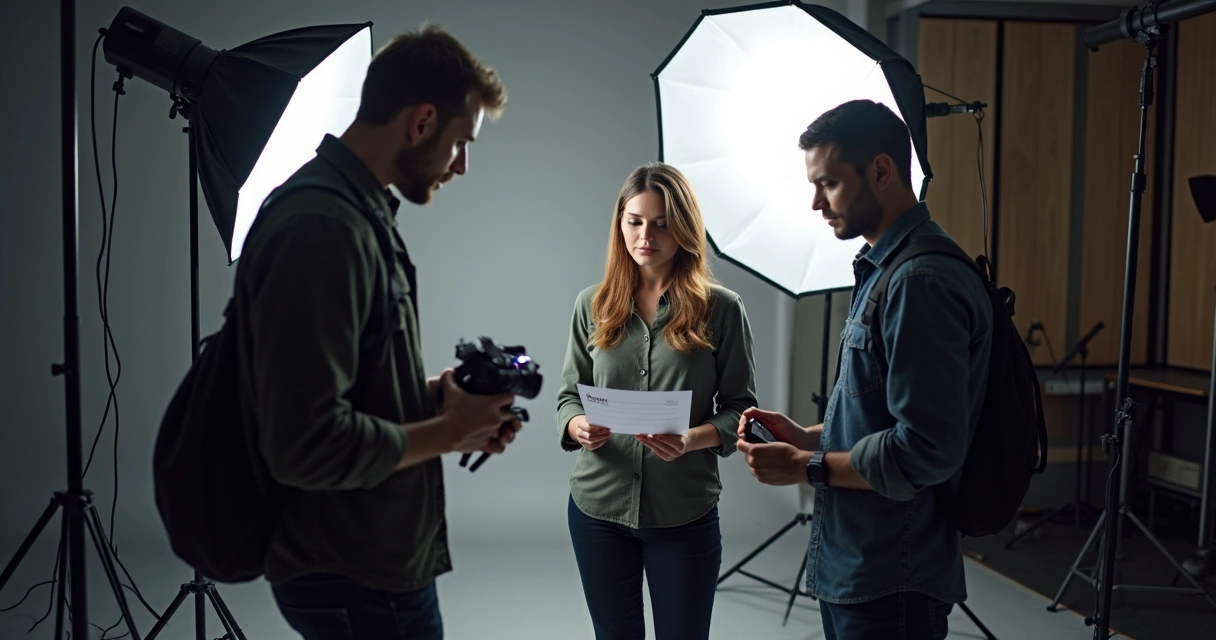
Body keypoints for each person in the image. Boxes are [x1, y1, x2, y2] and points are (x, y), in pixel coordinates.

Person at [233, 26, 513, 640]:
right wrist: (448, 431)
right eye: (461, 143)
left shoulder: (356, 214)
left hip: (369, 561)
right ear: (421, 123)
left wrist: (438, 398)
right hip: (352, 575)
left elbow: (343, 382)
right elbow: (305, 443)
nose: (461, 165)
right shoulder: (321, 228)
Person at [736, 99, 993, 640]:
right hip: (859, 568)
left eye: (827, 183)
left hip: (891, 578)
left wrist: (806, 467)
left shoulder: (918, 282)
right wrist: (808, 439)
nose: (814, 203)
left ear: (881, 170)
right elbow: (880, 419)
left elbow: (924, 449)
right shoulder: (885, 270)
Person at [555, 162, 758, 640]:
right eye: (635, 220)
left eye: (662, 222)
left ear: (684, 227)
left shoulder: (722, 309)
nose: (646, 234)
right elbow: (568, 395)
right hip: (596, 510)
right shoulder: (592, 304)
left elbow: (740, 410)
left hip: (683, 513)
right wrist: (576, 425)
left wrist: (692, 439)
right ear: (620, 222)